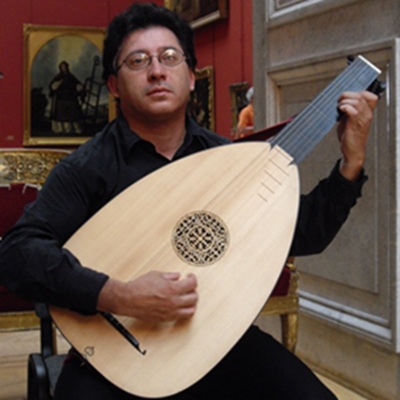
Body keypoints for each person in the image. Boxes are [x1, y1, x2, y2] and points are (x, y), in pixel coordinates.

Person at [0, 3, 378, 400]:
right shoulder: (87, 167)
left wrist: (350, 164)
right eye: (138, 61)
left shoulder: (224, 158)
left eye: (169, 57)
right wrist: (119, 295)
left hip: (214, 344)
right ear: (113, 85)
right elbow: (17, 253)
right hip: (118, 353)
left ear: (191, 77)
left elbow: (302, 234)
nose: (156, 71)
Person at [49, 61, 85, 134]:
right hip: (61, 99)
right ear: (60, 68)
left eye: (65, 67)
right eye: (63, 67)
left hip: (71, 97)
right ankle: (61, 130)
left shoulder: (71, 76)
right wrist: (59, 83)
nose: (64, 68)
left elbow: (77, 83)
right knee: (61, 116)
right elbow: (52, 86)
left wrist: (81, 87)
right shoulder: (58, 77)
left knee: (73, 115)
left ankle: (75, 130)